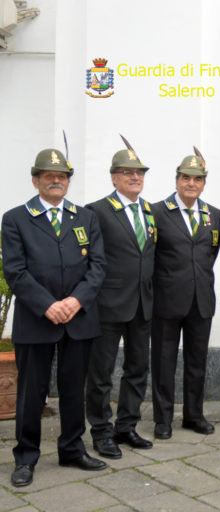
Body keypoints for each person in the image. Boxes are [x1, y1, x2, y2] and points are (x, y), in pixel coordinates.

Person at [2, 148, 107, 487]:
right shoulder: (16, 218)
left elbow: (98, 267)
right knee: (32, 392)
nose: (56, 180)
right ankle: (27, 456)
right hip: (37, 319)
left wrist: (76, 301)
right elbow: (16, 271)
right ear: (36, 180)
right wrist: (48, 305)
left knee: (74, 388)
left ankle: (72, 448)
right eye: (49, 176)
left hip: (78, 318)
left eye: (62, 176)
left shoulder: (85, 217)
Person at [86, 139, 156, 459]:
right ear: (113, 177)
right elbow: (89, 260)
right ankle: (101, 431)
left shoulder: (148, 211)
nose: (134, 177)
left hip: (143, 302)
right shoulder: (97, 211)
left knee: (137, 368)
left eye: (139, 172)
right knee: (101, 373)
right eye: (126, 172)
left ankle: (126, 426)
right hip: (108, 304)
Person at [150, 150, 220, 439]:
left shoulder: (213, 215)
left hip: (200, 300)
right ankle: (163, 419)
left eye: (197, 179)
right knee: (164, 363)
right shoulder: (156, 212)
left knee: (197, 362)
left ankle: (194, 415)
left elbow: (210, 254)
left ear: (203, 184)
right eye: (186, 178)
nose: (191, 183)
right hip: (166, 300)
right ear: (177, 180)